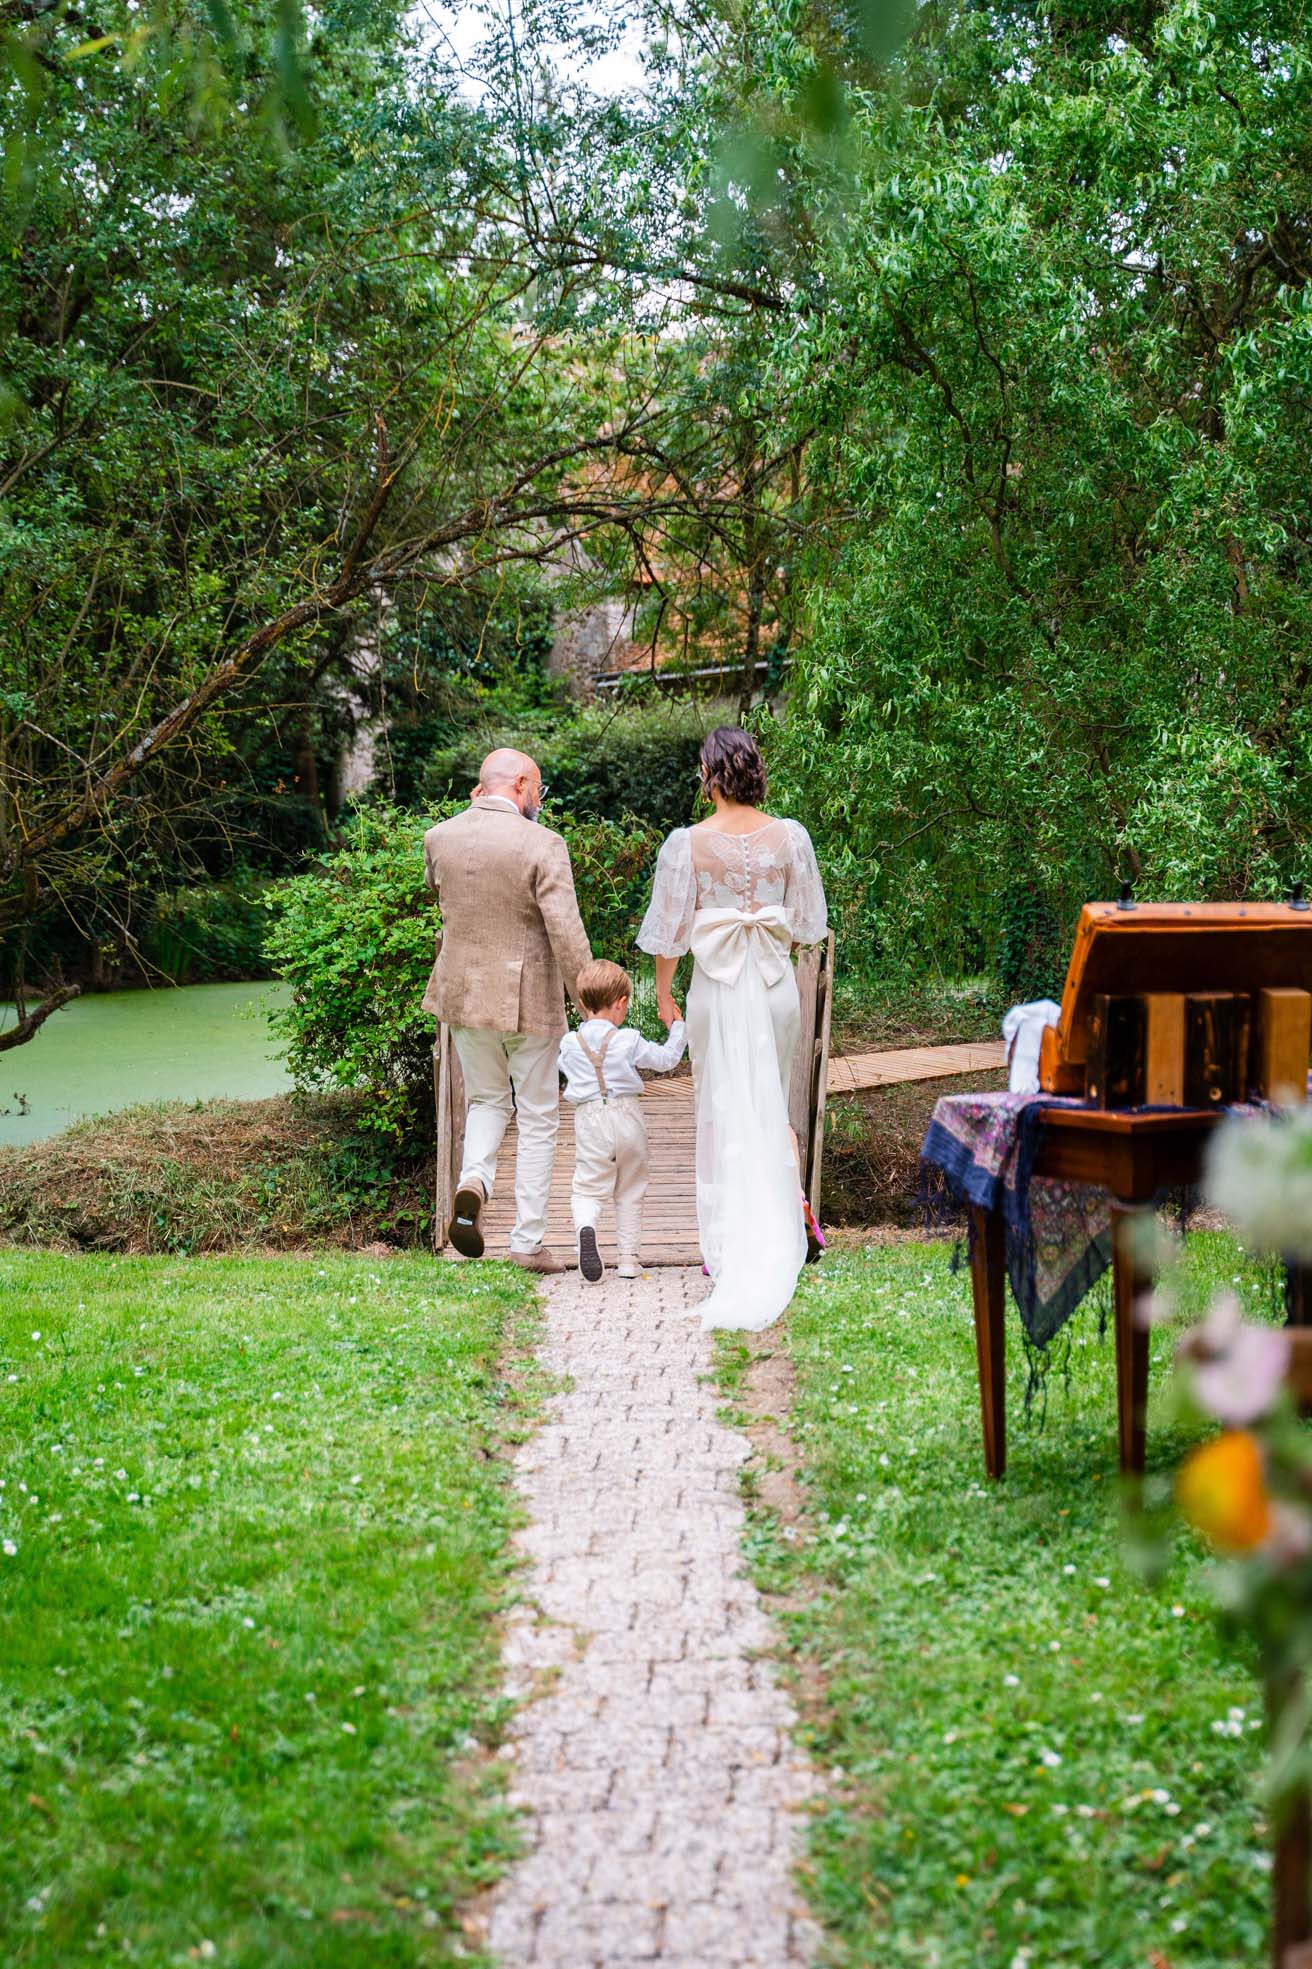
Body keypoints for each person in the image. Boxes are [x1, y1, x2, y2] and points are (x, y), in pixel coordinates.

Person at [637, 726, 828, 1330]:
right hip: (776, 991)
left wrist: (665, 992)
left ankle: (726, 1247)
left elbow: (669, 931)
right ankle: (786, 1225)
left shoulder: (685, 844)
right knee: (771, 1106)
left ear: (710, 776)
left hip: (717, 993)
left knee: (720, 1111)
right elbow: (806, 925)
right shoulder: (790, 837)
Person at [422, 748, 591, 1273]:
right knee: (539, 1116)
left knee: (488, 1102)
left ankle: (474, 1181)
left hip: (463, 996)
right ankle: (526, 1242)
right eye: (536, 788)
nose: (539, 799)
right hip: (528, 1001)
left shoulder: (439, 838)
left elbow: (439, 891)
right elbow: (565, 930)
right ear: (520, 784)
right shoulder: (543, 844)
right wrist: (590, 1000)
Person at [557, 959, 687, 1285]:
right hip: (628, 1117)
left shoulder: (570, 1044)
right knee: (630, 1189)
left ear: (583, 1004)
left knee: (587, 1186)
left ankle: (586, 1228)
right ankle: (629, 1261)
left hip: (590, 1118)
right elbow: (666, 1060)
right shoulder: (628, 1039)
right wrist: (677, 1028)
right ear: (622, 1003)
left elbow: (563, 1070)